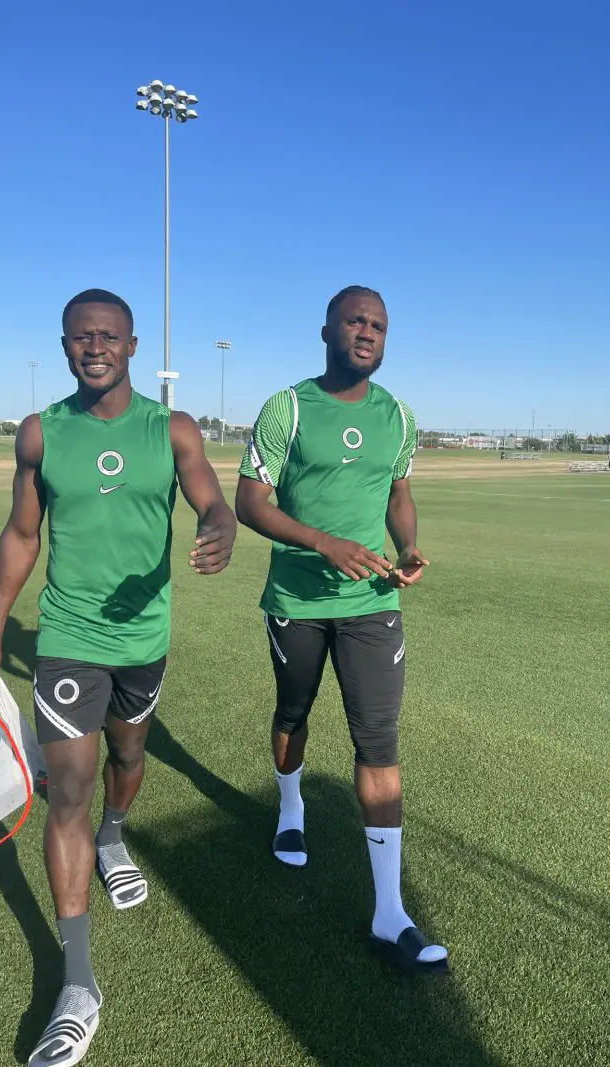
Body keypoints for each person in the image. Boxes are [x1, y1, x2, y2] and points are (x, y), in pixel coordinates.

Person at [0, 289, 236, 1066]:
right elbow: (22, 533)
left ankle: (115, 836)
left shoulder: (173, 429)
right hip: (68, 637)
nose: (94, 347)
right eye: (81, 336)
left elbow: (212, 501)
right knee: (69, 791)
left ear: (132, 345)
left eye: (108, 336)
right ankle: (79, 982)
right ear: (64, 346)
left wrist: (219, 526)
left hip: (143, 640)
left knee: (127, 757)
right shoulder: (40, 433)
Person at [235, 285, 447, 971]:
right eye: (355, 321)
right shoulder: (289, 407)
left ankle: (390, 913)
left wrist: (406, 545)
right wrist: (323, 543)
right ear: (327, 330)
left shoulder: (398, 416)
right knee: (293, 712)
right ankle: (290, 808)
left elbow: (398, 493)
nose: (367, 332)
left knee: (378, 739)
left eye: (378, 325)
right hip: (296, 599)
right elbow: (249, 502)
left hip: (372, 602)